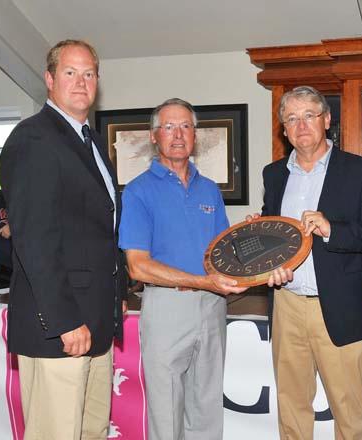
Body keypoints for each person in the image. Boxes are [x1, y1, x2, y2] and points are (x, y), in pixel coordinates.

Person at [0, 39, 126, 439]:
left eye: (89, 73)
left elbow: (94, 231)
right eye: (70, 72)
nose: (81, 82)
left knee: (91, 431)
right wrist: (66, 321)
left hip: (96, 322)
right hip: (61, 327)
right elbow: (34, 240)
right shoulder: (34, 138)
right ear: (50, 79)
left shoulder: (88, 140)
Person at [258, 85, 362, 439]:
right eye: (291, 118)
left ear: (327, 120)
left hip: (339, 308)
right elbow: (276, 236)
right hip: (286, 305)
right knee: (291, 406)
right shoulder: (273, 175)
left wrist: (333, 229)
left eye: (309, 115)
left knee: (348, 411)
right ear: (283, 130)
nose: (301, 125)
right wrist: (261, 249)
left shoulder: (361, 172)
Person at [119, 98, 247, 440]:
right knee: (167, 411)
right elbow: (137, 266)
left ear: (195, 135)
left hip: (212, 307)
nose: (178, 134)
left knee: (207, 409)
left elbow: (223, 253)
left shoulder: (209, 190)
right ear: (153, 136)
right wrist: (203, 281)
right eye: (169, 127)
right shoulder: (138, 192)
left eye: (186, 126)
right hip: (167, 309)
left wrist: (253, 251)